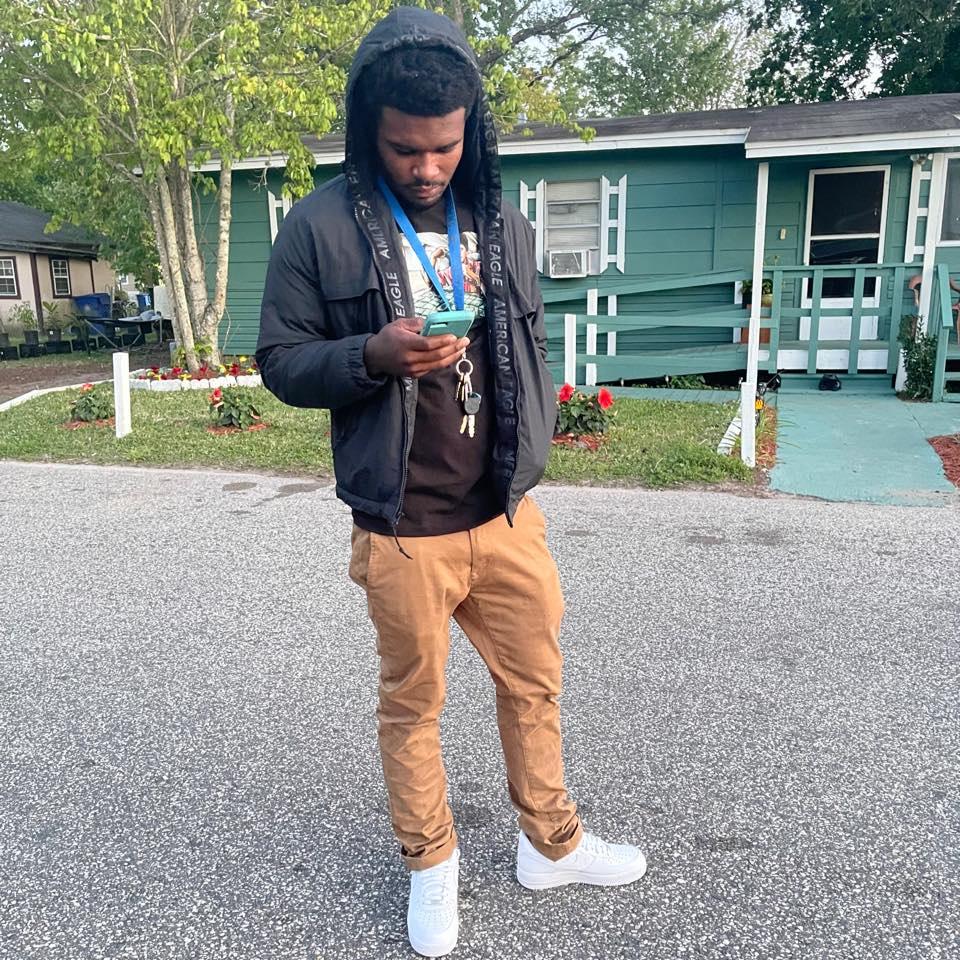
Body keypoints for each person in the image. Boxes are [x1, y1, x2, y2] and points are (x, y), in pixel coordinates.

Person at [256, 8, 646, 956]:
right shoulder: (316, 227)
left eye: (444, 145)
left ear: (472, 128)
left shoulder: (503, 222)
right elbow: (279, 360)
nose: (427, 167)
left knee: (536, 686)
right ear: (369, 132)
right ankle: (431, 865)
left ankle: (551, 846)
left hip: (506, 513)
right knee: (413, 704)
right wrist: (371, 355)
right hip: (402, 526)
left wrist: (535, 448)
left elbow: (530, 346)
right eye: (404, 149)